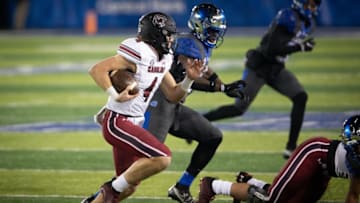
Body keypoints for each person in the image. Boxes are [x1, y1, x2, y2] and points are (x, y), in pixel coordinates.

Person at [82, 11, 204, 203]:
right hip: (117, 121)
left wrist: (189, 80)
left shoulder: (164, 59)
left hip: (133, 122)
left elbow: (173, 94)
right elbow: (97, 69)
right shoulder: (140, 52)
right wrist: (115, 95)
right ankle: (110, 188)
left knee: (129, 187)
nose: (171, 39)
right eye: (168, 35)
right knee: (162, 157)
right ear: (156, 35)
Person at [143, 3, 246, 203]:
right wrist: (221, 88)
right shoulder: (188, 44)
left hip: (174, 106)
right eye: (212, 30)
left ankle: (182, 187)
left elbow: (203, 68)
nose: (215, 34)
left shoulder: (198, 43)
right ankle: (104, 194)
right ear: (199, 25)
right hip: (160, 102)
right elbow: (190, 79)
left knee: (212, 137)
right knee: (146, 160)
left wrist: (221, 83)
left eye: (218, 30)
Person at [203, 0, 322, 159]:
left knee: (300, 97)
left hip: (276, 68)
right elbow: (271, 50)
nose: (311, 8)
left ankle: (291, 147)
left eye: (314, 5)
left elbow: (280, 51)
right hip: (260, 66)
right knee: (238, 109)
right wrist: (300, 47)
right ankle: (200, 121)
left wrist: (298, 47)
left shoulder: (308, 23)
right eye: (309, 4)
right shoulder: (289, 17)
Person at [197, 114, 360, 203]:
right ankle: (213, 185)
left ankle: (251, 183)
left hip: (325, 170)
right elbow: (353, 195)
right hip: (314, 154)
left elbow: (354, 193)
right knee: (272, 200)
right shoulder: (354, 154)